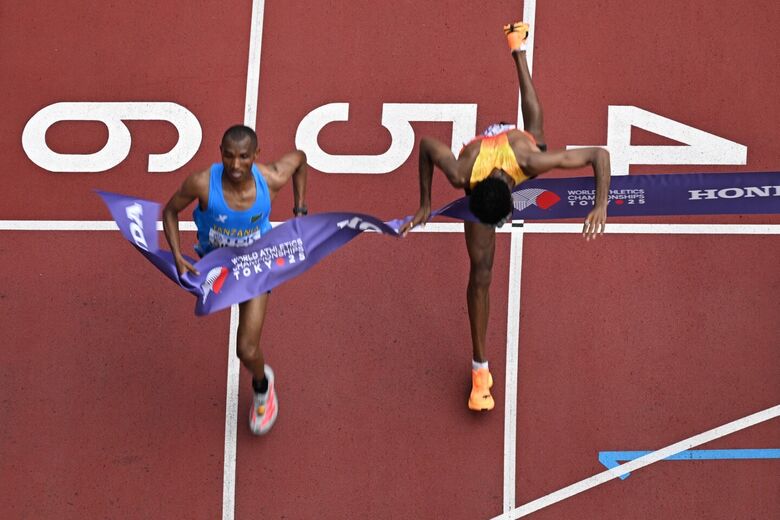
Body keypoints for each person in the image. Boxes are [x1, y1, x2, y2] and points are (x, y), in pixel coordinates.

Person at [399, 22, 611, 412]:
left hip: (514, 145)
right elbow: (427, 146)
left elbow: (600, 155)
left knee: (539, 135)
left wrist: (601, 204)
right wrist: (425, 203)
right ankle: (480, 371)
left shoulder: (530, 161)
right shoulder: (463, 173)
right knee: (480, 274)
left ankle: (518, 51)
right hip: (481, 147)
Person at [163, 125, 308, 435]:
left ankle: (262, 386)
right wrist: (176, 254)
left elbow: (300, 158)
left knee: (247, 350)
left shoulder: (270, 179)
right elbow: (170, 212)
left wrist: (300, 208)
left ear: (256, 156)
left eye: (244, 157)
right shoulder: (202, 184)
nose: (235, 165)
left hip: (255, 266)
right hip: (216, 266)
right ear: (221, 154)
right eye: (228, 156)